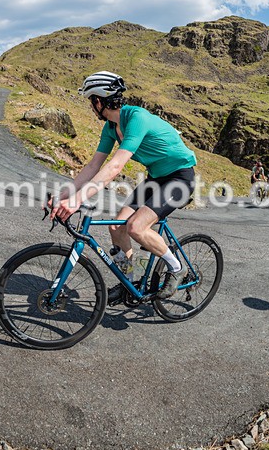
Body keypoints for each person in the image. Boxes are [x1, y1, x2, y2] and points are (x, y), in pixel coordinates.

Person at [48, 71, 197, 301]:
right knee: (117, 227)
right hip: (156, 178)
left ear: (99, 101)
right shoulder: (110, 127)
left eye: (91, 101)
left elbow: (116, 166)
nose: (91, 106)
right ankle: (133, 281)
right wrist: (65, 195)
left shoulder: (137, 118)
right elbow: (93, 166)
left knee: (136, 227)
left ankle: (177, 268)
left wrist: (78, 200)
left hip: (180, 178)